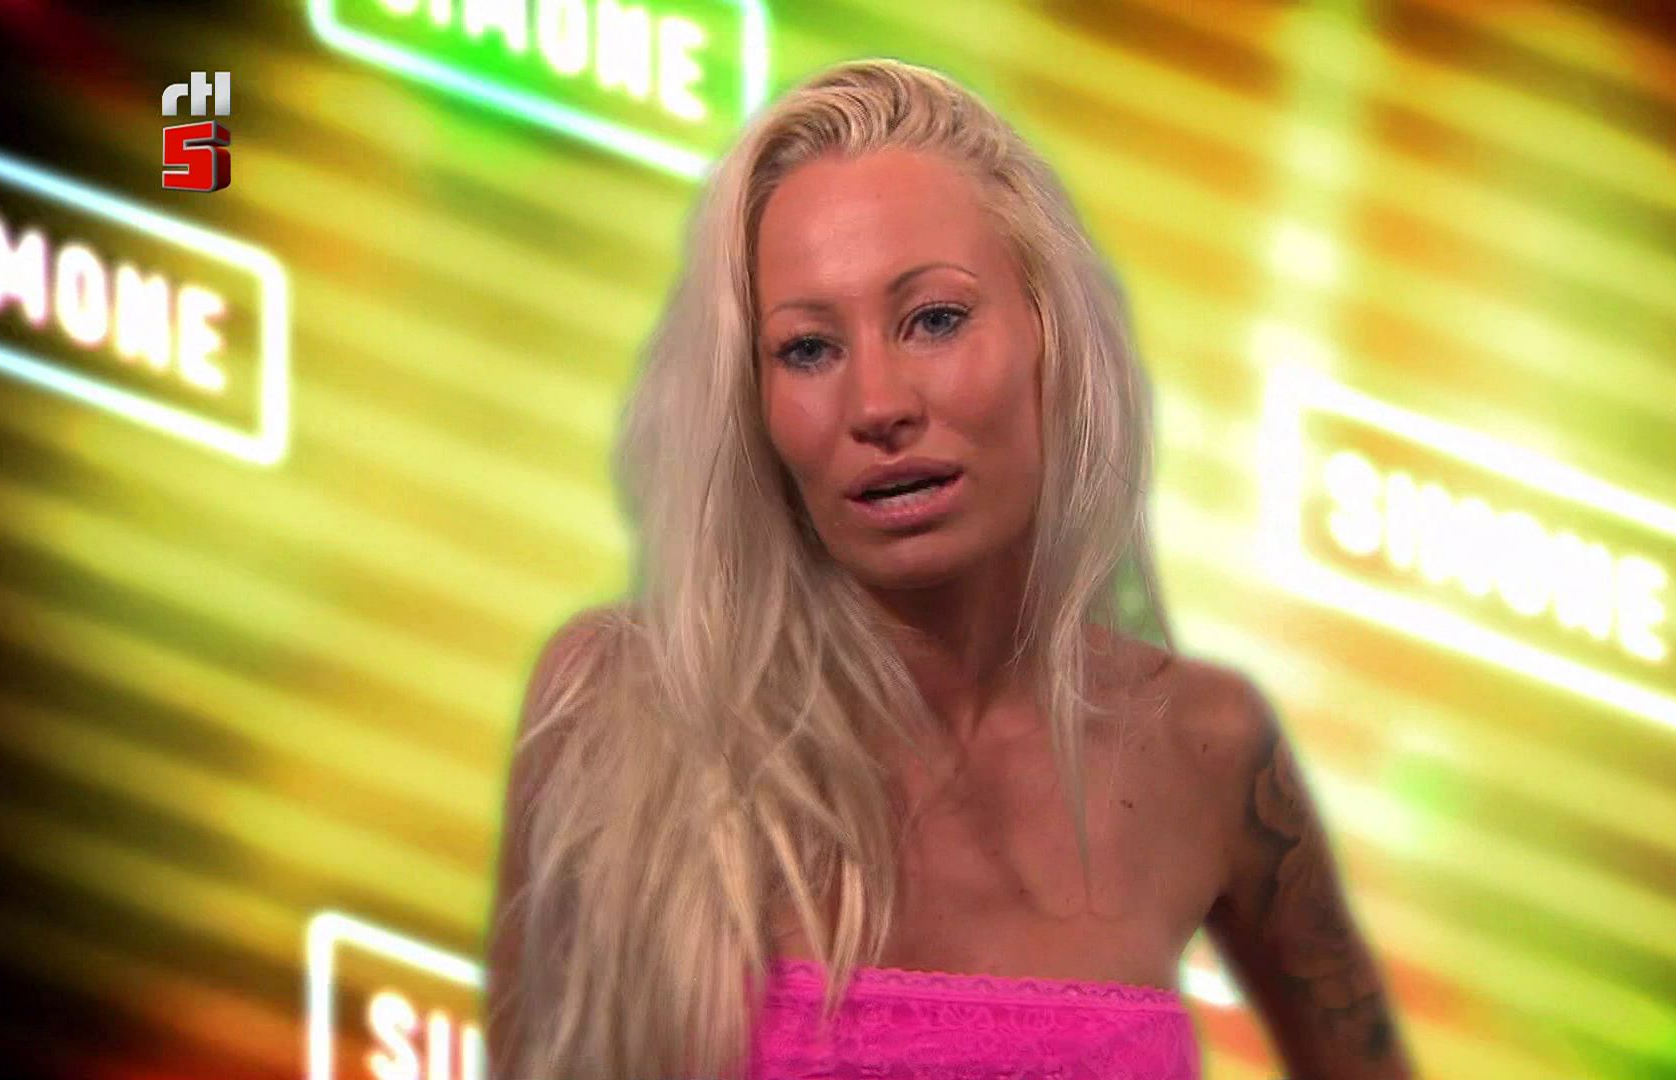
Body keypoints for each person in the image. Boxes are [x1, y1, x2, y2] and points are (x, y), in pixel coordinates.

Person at [481, 57, 1415, 1080]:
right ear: (750, 401)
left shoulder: (1208, 748)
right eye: (807, 349)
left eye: (934, 319)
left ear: (1050, 338)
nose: (878, 404)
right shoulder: (620, 712)